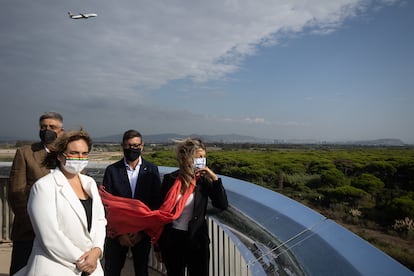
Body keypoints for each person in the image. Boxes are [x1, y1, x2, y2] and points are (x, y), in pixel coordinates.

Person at [15, 129, 107, 276]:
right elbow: (49, 236)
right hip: (55, 266)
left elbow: (100, 221)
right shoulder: (44, 186)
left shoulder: (89, 183)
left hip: (91, 265)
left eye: (84, 153)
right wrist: (82, 259)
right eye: (74, 153)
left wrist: (97, 250)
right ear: (59, 155)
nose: (79, 158)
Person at [157, 138, 228, 276]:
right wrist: (157, 246)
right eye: (199, 157)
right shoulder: (170, 180)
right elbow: (160, 214)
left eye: (204, 157)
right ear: (188, 158)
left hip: (197, 241)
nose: (202, 160)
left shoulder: (203, 181)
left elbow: (222, 204)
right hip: (173, 241)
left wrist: (214, 179)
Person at [7, 111, 64, 275]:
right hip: (28, 230)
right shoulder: (25, 153)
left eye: (52, 127)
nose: (47, 130)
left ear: (61, 130)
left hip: (59, 231)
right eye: (43, 126)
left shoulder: (67, 154)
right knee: (22, 270)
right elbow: (16, 193)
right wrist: (35, 224)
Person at [102, 129, 162, 276]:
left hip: (142, 233)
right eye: (129, 145)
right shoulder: (112, 170)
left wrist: (141, 231)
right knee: (112, 270)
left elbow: (155, 203)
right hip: (117, 235)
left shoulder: (152, 170)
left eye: (136, 145)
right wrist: (120, 233)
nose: (132, 149)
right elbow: (106, 204)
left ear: (142, 146)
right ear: (123, 145)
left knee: (142, 271)